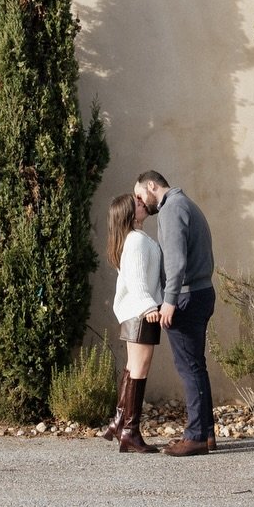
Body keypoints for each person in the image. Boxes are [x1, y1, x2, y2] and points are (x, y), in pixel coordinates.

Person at [133, 170, 216, 456]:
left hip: (186, 297)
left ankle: (195, 437)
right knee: (196, 366)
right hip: (200, 293)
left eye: (140, 194)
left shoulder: (172, 209)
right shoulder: (186, 204)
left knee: (189, 367)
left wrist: (169, 300)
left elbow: (176, 260)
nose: (141, 201)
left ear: (152, 185)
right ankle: (206, 434)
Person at [103, 190, 163, 454]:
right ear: (130, 214)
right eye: (137, 203)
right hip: (140, 313)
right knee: (140, 369)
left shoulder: (131, 239)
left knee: (132, 368)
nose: (142, 204)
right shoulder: (136, 241)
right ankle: (130, 432)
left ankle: (120, 421)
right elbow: (137, 279)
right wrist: (149, 306)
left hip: (133, 312)